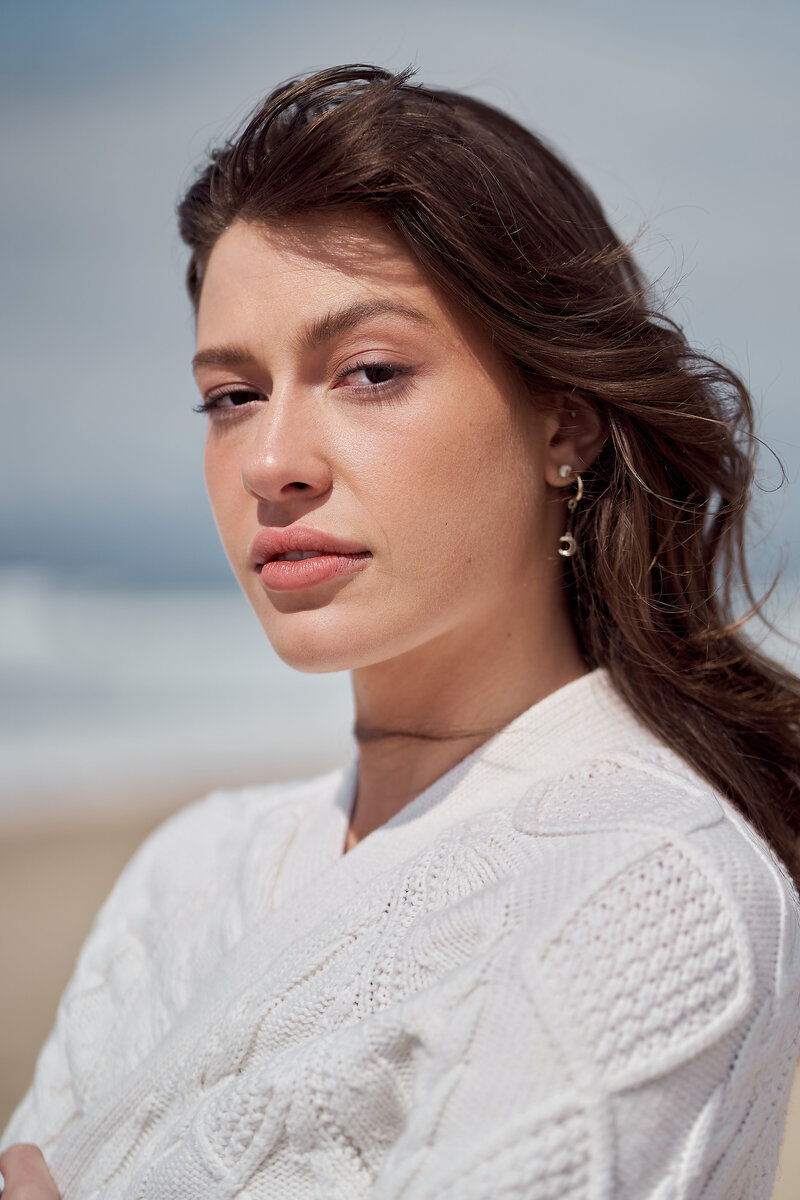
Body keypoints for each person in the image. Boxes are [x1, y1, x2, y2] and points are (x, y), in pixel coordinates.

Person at [1, 63, 799, 1200]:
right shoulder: (188, 870)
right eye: (231, 395)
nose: (271, 462)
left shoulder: (649, 881)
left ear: (561, 421)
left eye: (368, 373)